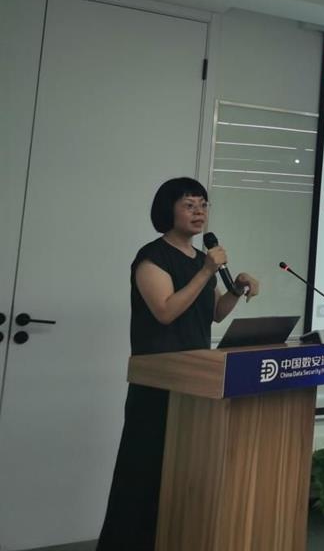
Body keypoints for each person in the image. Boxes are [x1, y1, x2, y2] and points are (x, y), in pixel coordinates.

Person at [96, 177, 260, 549]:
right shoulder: (152, 257)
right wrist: (206, 272)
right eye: (189, 205)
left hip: (195, 379)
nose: (199, 212)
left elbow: (215, 314)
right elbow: (166, 311)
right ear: (168, 210)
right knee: (144, 471)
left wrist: (236, 289)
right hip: (159, 380)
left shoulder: (201, 261)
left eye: (203, 204)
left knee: (180, 472)